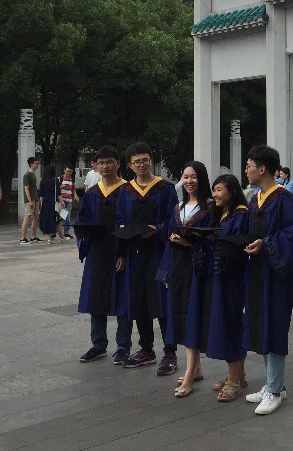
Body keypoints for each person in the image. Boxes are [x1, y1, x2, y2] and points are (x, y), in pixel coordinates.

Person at [242, 144, 293, 415]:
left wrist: (265, 244)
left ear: (262, 168)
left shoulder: (283, 199)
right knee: (261, 323)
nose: (246, 170)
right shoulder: (255, 199)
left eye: (249, 166)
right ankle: (273, 383)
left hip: (277, 274)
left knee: (275, 324)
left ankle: (275, 390)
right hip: (258, 271)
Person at [115, 142, 179, 374]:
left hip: (159, 252)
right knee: (139, 300)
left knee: (162, 301)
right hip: (134, 253)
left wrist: (158, 229)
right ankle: (146, 349)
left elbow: (174, 218)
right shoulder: (126, 191)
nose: (141, 164)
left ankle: (170, 352)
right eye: (136, 162)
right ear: (130, 165)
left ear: (151, 161)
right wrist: (121, 251)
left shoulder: (165, 188)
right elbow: (119, 219)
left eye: (145, 160)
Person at [157, 161, 212, 396]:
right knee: (183, 314)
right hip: (179, 269)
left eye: (194, 177)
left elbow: (212, 241)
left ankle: (189, 376)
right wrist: (166, 271)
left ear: (202, 179)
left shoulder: (210, 208)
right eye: (186, 177)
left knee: (193, 316)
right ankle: (196, 368)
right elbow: (169, 238)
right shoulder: (178, 207)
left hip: (198, 270)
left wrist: (189, 243)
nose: (189, 181)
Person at [75, 146, 133, 364]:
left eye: (110, 162)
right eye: (101, 162)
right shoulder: (92, 193)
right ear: (96, 166)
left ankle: (123, 346)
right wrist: (84, 236)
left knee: (122, 299)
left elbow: (130, 223)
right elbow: (82, 221)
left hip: (119, 251)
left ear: (118, 163)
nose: (105, 166)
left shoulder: (128, 190)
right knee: (96, 297)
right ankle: (98, 344)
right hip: (97, 252)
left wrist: (123, 252)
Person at [207, 174, 252, 402]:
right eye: (213, 190)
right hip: (222, 274)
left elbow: (237, 245)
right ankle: (238, 374)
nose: (214, 194)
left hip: (233, 276)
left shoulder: (240, 214)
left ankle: (234, 380)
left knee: (230, 323)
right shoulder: (225, 213)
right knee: (229, 321)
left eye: (219, 190)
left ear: (231, 191)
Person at [38, 164, 67, 244]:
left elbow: (41, 194)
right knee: (57, 220)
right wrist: (62, 201)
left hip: (46, 203)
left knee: (47, 220)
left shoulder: (43, 181)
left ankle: (49, 239)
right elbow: (58, 192)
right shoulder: (55, 180)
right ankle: (62, 237)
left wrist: (41, 204)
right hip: (54, 203)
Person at [19, 157, 41, 244]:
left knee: (36, 217)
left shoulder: (33, 174)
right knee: (27, 217)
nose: (37, 165)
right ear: (31, 164)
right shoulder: (27, 175)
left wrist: (37, 198)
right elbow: (26, 189)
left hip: (35, 199)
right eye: (36, 163)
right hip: (30, 200)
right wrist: (30, 200)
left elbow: (34, 188)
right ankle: (22, 238)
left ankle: (33, 236)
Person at [59, 166, 79, 239]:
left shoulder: (72, 180)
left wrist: (75, 195)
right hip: (61, 201)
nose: (68, 173)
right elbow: (55, 188)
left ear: (72, 172)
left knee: (67, 217)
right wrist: (61, 187)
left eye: (70, 171)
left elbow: (73, 190)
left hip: (69, 201)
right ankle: (54, 233)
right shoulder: (60, 179)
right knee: (59, 217)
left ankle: (66, 233)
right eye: (67, 171)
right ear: (64, 171)